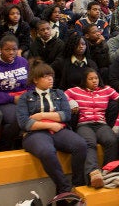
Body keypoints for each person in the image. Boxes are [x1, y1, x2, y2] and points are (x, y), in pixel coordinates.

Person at [16, 60, 87, 195]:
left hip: (59, 130)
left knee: (81, 145)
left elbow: (66, 115)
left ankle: (78, 184)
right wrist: (50, 124)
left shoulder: (59, 93)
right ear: (36, 80)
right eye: (46, 76)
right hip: (35, 133)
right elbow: (25, 123)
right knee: (47, 151)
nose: (50, 79)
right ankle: (65, 188)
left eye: (52, 76)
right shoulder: (25, 97)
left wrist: (40, 115)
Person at [65, 68, 119, 188]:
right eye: (90, 79)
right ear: (84, 80)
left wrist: (117, 124)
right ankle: (94, 173)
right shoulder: (76, 91)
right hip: (84, 124)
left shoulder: (106, 90)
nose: (94, 81)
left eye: (96, 78)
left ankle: (107, 172)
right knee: (89, 143)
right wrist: (71, 102)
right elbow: (62, 96)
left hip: (101, 124)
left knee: (112, 140)